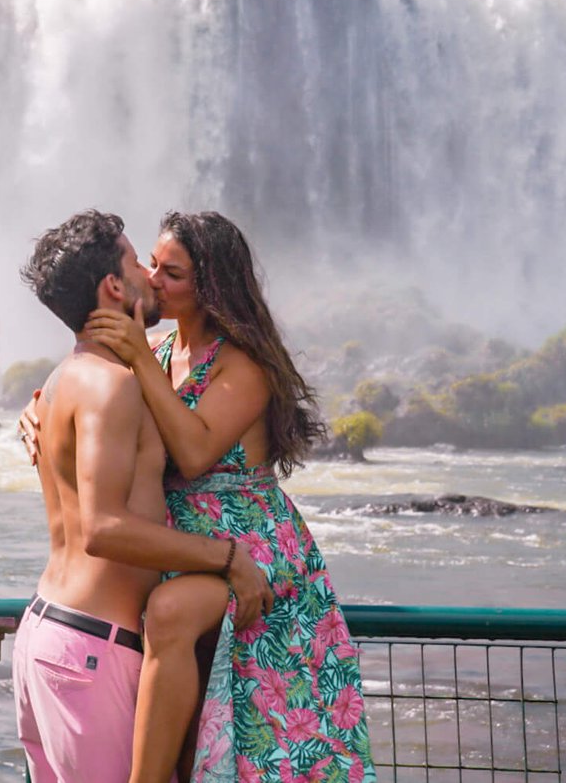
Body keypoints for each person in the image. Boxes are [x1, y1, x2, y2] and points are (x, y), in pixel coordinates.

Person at [79, 210, 376, 783]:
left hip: (253, 543)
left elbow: (193, 454)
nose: (154, 280)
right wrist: (37, 411)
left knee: (265, 726)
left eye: (173, 273)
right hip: (187, 544)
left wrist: (138, 356)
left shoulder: (244, 364)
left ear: (211, 284)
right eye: (153, 266)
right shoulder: (162, 352)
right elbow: (96, 407)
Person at [13, 209, 275, 783]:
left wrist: (37, 411)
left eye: (166, 269)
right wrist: (229, 558)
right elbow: (103, 529)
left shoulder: (76, 375)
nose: (150, 276)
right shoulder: (117, 381)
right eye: (140, 263)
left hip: (44, 634)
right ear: (113, 286)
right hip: (92, 647)